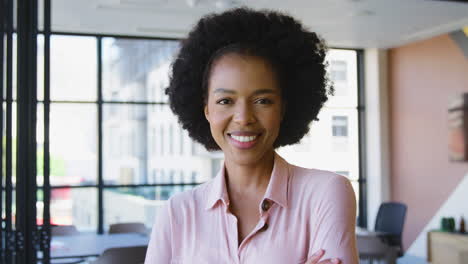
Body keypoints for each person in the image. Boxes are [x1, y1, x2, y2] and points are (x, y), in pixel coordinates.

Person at [145, 7, 358, 264]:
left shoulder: (325, 193)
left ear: (283, 108)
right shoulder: (176, 213)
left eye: (263, 100)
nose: (244, 117)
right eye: (225, 100)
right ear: (206, 111)